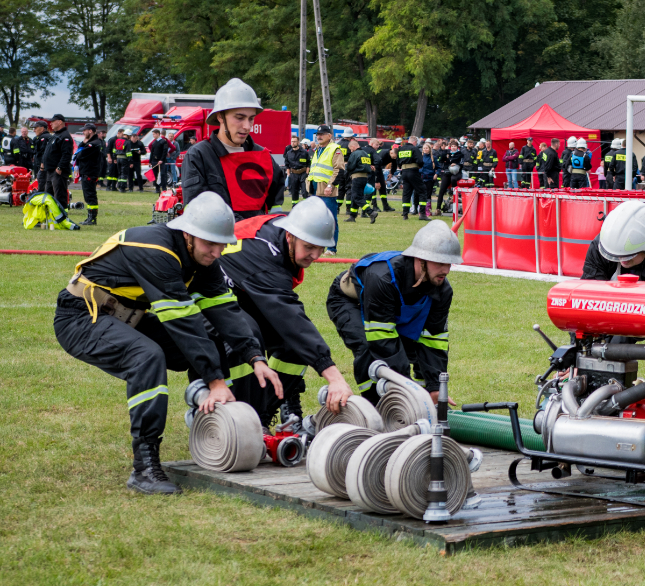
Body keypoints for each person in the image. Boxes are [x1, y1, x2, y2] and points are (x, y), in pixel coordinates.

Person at [53, 192, 280, 495]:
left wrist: (255, 357)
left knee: (213, 335)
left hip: (126, 317)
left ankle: (206, 414)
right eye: (209, 243)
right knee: (146, 356)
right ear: (188, 233)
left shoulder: (202, 258)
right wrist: (214, 380)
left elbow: (225, 311)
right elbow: (182, 322)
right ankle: (144, 467)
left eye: (221, 244)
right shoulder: (155, 249)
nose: (216, 251)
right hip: (81, 318)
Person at [218, 197, 352, 426]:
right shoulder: (264, 255)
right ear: (290, 236)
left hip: (245, 288)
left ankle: (268, 411)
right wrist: (333, 375)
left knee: (293, 348)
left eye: (321, 248)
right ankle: (240, 422)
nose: (315, 255)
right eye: (309, 247)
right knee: (247, 337)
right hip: (210, 295)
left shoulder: (287, 231)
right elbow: (290, 317)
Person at [326, 221, 460, 403]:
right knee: (369, 349)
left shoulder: (442, 290)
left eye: (449, 263)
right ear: (420, 260)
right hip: (349, 301)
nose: (446, 270)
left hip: (389, 309)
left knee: (410, 351)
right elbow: (382, 339)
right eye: (440, 263)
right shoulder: (383, 278)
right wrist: (406, 388)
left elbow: (433, 339)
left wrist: (434, 388)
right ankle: (376, 405)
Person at [181, 78, 285, 219]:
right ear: (220, 117)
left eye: (251, 118)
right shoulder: (199, 155)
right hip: (219, 239)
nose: (247, 126)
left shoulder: (263, 156)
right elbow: (197, 212)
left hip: (256, 239)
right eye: (239, 118)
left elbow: (275, 209)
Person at [307, 125, 346, 252]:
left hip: (327, 190)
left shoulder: (335, 149)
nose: (319, 136)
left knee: (330, 220)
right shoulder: (318, 149)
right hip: (315, 189)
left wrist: (331, 185)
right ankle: (318, 246)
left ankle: (331, 248)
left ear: (329, 136)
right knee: (316, 220)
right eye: (318, 134)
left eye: (322, 134)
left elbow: (339, 170)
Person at [41, 114, 75, 210]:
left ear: (60, 122)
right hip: (50, 170)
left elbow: (67, 154)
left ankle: (62, 217)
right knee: (49, 195)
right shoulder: (56, 135)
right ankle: (51, 216)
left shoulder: (65, 136)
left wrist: (60, 167)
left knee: (60, 195)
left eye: (53, 121)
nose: (50, 123)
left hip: (58, 171)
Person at [342, 134, 375, 223]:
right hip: (364, 178)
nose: (351, 151)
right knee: (354, 196)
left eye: (351, 149)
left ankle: (370, 212)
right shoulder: (365, 154)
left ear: (353, 146)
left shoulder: (355, 153)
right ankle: (352, 216)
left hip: (357, 177)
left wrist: (345, 173)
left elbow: (350, 167)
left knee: (357, 197)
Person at [75, 125, 103, 225]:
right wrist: (83, 142)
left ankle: (92, 218)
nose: (83, 132)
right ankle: (90, 217)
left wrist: (82, 148)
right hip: (86, 171)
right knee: (88, 195)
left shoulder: (94, 144)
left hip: (90, 172)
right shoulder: (91, 143)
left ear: (90, 131)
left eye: (85, 131)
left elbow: (80, 155)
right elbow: (79, 150)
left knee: (90, 195)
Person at [393, 135, 424, 220]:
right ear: (414, 142)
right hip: (413, 171)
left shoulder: (401, 149)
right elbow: (420, 161)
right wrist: (419, 166)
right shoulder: (414, 149)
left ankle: (405, 214)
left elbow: (397, 161)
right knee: (422, 191)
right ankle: (423, 214)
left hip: (404, 172)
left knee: (406, 193)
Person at [283, 136, 311, 203]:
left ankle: (306, 206)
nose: (293, 143)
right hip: (293, 174)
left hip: (303, 174)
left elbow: (308, 163)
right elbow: (287, 164)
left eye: (294, 141)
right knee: (294, 191)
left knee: (305, 191)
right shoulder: (288, 153)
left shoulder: (304, 153)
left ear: (298, 142)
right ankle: (294, 206)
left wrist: (307, 173)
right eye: (292, 141)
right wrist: (289, 174)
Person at [32, 120, 52, 193]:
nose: (34, 130)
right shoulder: (49, 137)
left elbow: (44, 153)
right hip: (47, 167)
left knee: (41, 186)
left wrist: (42, 166)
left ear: (42, 128)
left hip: (43, 168)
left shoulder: (44, 138)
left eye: (36, 128)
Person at [148, 130, 170, 195]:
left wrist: (161, 160)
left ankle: (164, 188)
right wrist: (150, 161)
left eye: (154, 134)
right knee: (155, 175)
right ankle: (157, 188)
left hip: (161, 161)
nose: (153, 136)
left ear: (158, 134)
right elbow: (152, 152)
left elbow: (164, 151)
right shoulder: (154, 143)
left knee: (163, 175)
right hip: (154, 161)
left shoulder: (163, 142)